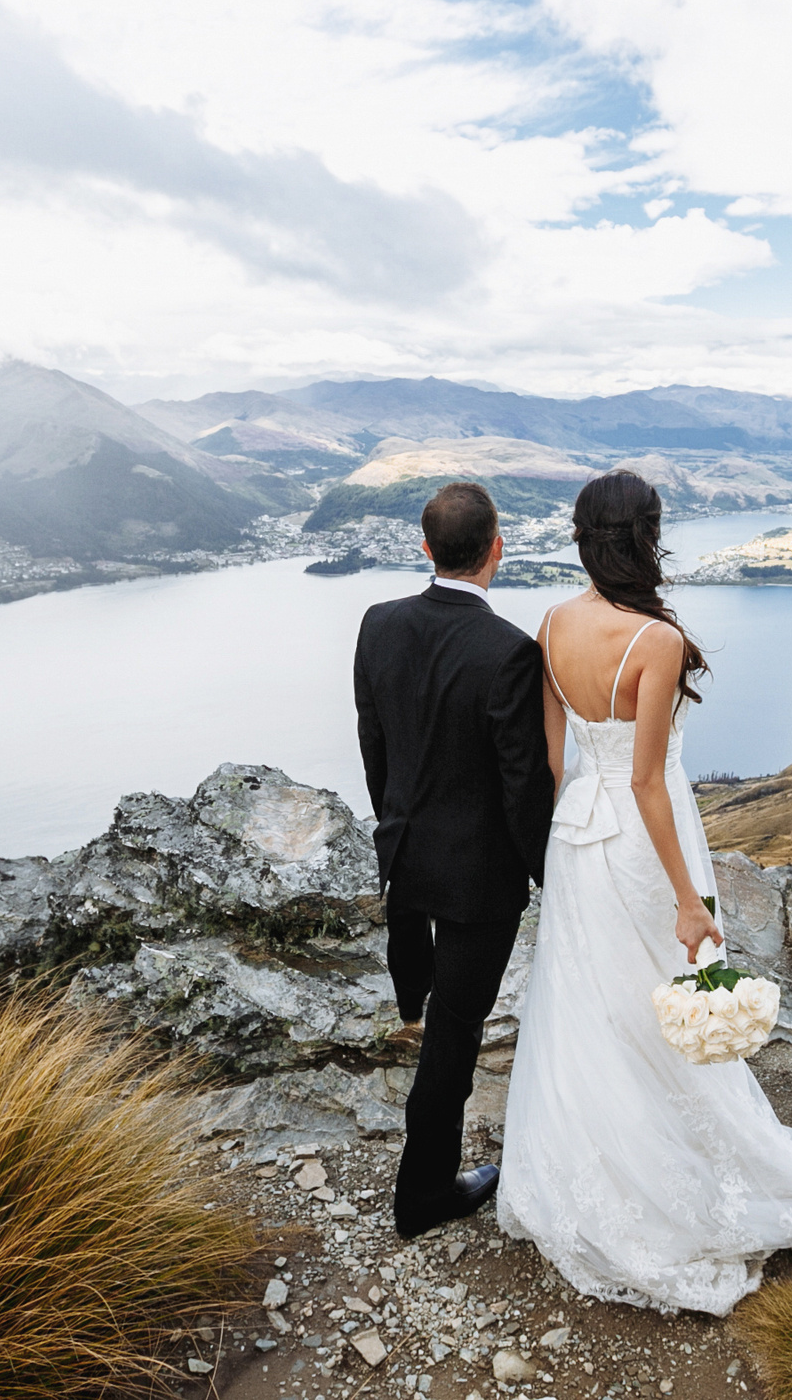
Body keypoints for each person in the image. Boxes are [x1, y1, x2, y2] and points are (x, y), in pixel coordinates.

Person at [496, 470, 792, 1313]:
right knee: (665, 1007)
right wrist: (688, 897)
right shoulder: (655, 642)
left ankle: (589, 1170)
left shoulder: (553, 622)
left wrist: (549, 854)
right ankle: (681, 1175)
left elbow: (555, 764)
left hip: (573, 841)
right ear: (647, 535)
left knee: (591, 1009)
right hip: (639, 847)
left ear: (583, 538)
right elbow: (646, 784)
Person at [353, 481, 555, 1239]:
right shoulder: (508, 650)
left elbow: (375, 746)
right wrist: (547, 875)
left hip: (406, 857)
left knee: (427, 1005)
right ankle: (425, 1192)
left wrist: (393, 826)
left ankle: (411, 1007)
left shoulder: (377, 624)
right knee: (455, 1031)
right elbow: (522, 786)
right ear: (497, 549)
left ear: (425, 546)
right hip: (478, 880)